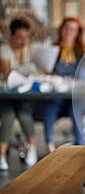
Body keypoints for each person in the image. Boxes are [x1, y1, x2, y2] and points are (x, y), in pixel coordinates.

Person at [43, 17, 85, 152]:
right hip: (57, 94)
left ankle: (80, 146)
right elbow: (46, 71)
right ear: (61, 30)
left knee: (75, 108)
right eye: (66, 28)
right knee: (51, 105)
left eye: (73, 29)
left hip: (75, 96)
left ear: (77, 33)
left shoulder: (81, 51)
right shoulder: (52, 49)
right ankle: (49, 144)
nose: (68, 32)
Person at [0, 18, 38, 170]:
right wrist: (30, 69)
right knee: (8, 116)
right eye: (20, 37)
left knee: (24, 112)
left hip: (20, 94)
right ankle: (1, 156)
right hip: (3, 95)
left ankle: (32, 148)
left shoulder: (28, 50)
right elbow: (7, 73)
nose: (24, 41)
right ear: (12, 35)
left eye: (27, 37)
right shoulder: (4, 49)